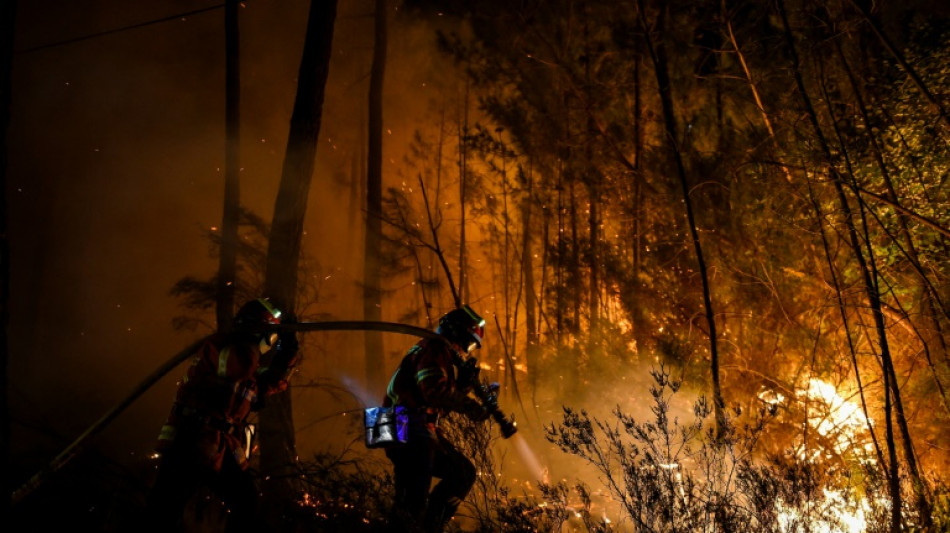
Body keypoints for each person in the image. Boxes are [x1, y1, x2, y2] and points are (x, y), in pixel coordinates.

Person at [146, 298, 299, 532]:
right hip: (190, 439)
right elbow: (237, 367)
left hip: (221, 444)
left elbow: (273, 381)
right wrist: (259, 337)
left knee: (246, 502)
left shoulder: (246, 365)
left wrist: (288, 348)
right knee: (165, 510)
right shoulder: (219, 348)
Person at [382, 305, 491, 533]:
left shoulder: (431, 350)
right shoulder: (435, 348)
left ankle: (427, 526)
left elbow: (436, 405)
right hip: (407, 426)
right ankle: (426, 527)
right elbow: (434, 391)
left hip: (404, 425)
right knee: (413, 502)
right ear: (456, 333)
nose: (466, 350)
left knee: (460, 473)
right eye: (468, 343)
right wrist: (470, 406)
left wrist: (461, 385)